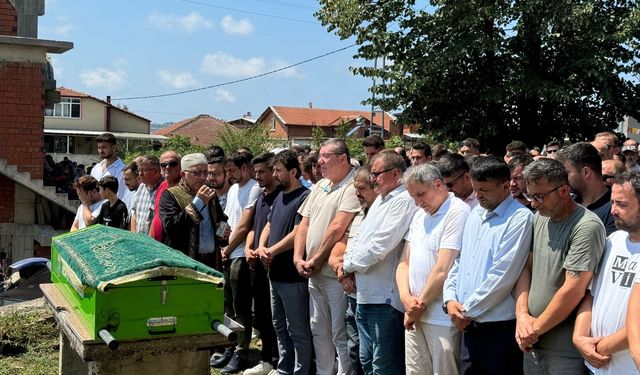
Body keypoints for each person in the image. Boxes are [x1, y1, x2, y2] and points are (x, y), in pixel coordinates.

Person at [443, 155, 534, 375]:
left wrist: (465, 311)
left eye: (484, 190)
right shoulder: (475, 214)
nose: (478, 195)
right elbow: (460, 263)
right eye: (476, 188)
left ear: (505, 186)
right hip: (468, 325)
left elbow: (503, 275)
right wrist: (449, 300)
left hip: (497, 330)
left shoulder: (520, 218)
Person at [516, 158, 606, 374]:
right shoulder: (540, 217)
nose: (534, 204)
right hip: (531, 342)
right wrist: (522, 317)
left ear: (564, 190)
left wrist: (533, 330)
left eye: (539, 196)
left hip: (564, 350)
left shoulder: (586, 226)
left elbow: (573, 290)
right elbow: (526, 269)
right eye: (530, 196)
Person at [342, 150, 418, 374]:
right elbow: (360, 238)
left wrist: (347, 266)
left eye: (377, 173)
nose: (372, 178)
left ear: (395, 174)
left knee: (383, 366)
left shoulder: (403, 201)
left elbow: (379, 247)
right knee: (366, 361)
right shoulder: (381, 200)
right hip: (364, 295)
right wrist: (347, 264)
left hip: (385, 299)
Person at [293, 139, 361, 375]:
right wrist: (297, 257)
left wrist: (316, 259)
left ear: (342, 159)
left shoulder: (353, 186)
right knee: (318, 330)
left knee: (339, 333)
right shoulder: (321, 185)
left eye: (324, 156)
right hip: (313, 273)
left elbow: (337, 227)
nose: (318, 161)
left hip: (335, 276)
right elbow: (304, 223)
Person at [396, 164, 470, 375]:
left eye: (421, 194)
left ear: (438, 184)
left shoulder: (458, 212)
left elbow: (443, 268)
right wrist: (406, 300)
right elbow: (404, 262)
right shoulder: (419, 215)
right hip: (413, 313)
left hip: (441, 317)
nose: (418, 202)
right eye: (413, 197)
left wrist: (419, 306)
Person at [573, 171, 640, 374]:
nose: (613, 211)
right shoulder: (613, 241)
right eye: (612, 203)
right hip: (595, 366)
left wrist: (602, 347)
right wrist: (579, 337)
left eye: (622, 204)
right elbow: (591, 294)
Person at [257, 150, 312, 375]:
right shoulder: (279, 196)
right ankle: (284, 369)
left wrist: (271, 250)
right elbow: (269, 225)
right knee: (279, 326)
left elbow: (299, 233)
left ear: (293, 171)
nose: (275, 174)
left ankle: (301, 371)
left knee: (297, 329)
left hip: (292, 276)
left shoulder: (304, 197)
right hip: (275, 274)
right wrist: (261, 246)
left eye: (279, 170)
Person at [213, 151, 263, 373]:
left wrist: (228, 248)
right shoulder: (233, 189)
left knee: (241, 307)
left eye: (232, 170)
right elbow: (227, 219)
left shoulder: (254, 188)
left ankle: (242, 352)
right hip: (227, 251)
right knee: (227, 305)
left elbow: (244, 224)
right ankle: (230, 346)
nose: (230, 175)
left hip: (240, 254)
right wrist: (221, 242)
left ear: (245, 168)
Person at [328, 166, 378, 375]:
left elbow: (373, 253)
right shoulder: (359, 215)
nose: (357, 194)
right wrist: (339, 268)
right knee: (354, 350)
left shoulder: (381, 216)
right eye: (355, 189)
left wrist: (345, 271)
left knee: (372, 357)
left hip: (372, 298)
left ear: (376, 188)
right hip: (352, 296)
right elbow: (342, 244)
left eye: (362, 189)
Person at [244, 153, 280, 375]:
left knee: (275, 318)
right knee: (262, 317)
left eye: (262, 172)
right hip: (255, 264)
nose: (258, 176)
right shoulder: (261, 198)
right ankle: (266, 360)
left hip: (272, 265)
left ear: (273, 171)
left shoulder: (279, 198)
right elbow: (254, 228)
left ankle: (276, 361)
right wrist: (249, 248)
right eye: (255, 172)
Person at [159, 153, 227, 267]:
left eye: (205, 172)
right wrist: (198, 203)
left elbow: (222, 219)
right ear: (183, 174)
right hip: (184, 261)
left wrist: (222, 232)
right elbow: (171, 226)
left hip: (212, 260)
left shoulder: (210, 194)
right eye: (196, 173)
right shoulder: (170, 195)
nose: (202, 177)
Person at [556, 142, 616, 235]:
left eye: (567, 173)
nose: (563, 179)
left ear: (586, 172)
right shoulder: (569, 201)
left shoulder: (613, 210)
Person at [90, 133, 131, 209]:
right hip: (91, 212)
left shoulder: (122, 170)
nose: (101, 151)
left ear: (114, 147)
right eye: (99, 148)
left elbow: (119, 196)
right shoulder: (96, 168)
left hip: (110, 214)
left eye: (104, 147)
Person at [150, 151, 181, 242]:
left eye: (172, 164)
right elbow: (156, 214)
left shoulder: (184, 189)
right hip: (156, 244)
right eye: (163, 165)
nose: (167, 167)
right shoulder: (162, 185)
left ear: (180, 166)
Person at [130, 155, 163, 235]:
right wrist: (134, 236)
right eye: (139, 170)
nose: (140, 174)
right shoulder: (141, 188)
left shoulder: (164, 188)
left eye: (144, 170)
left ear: (156, 171)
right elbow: (134, 214)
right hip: (139, 241)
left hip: (154, 243)